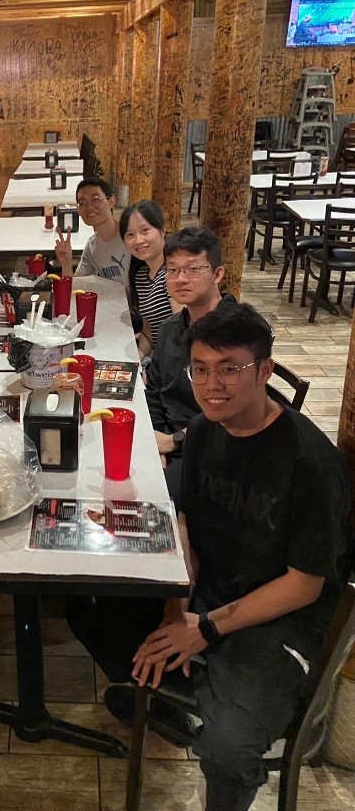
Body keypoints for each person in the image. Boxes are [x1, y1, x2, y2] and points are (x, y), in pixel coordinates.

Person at [85, 303, 350, 811]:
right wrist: (173, 605)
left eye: (230, 368)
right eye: (200, 369)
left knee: (228, 749)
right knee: (92, 606)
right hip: (212, 594)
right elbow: (190, 526)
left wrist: (203, 629)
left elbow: (305, 584)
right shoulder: (205, 432)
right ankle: (194, 699)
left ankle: (214, 712)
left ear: (265, 371)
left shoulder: (310, 462)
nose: (212, 384)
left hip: (280, 620)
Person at [145, 226, 235, 506]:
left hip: (218, 452)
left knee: (146, 498)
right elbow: (155, 390)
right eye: (173, 270)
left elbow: (233, 414)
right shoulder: (171, 327)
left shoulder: (237, 335)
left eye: (193, 269)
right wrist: (155, 440)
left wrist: (174, 441)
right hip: (170, 443)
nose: (181, 279)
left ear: (217, 274)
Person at [119, 200, 180, 357]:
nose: (138, 240)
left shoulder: (174, 273)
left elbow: (183, 332)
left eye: (145, 230)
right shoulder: (141, 277)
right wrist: (139, 357)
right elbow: (148, 332)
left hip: (175, 363)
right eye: (130, 235)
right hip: (158, 360)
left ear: (162, 230)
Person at [54, 178, 130, 288]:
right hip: (116, 302)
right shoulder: (92, 246)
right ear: (78, 211)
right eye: (82, 203)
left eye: (95, 199)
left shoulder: (129, 235)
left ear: (111, 202)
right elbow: (76, 286)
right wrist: (66, 263)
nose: (89, 207)